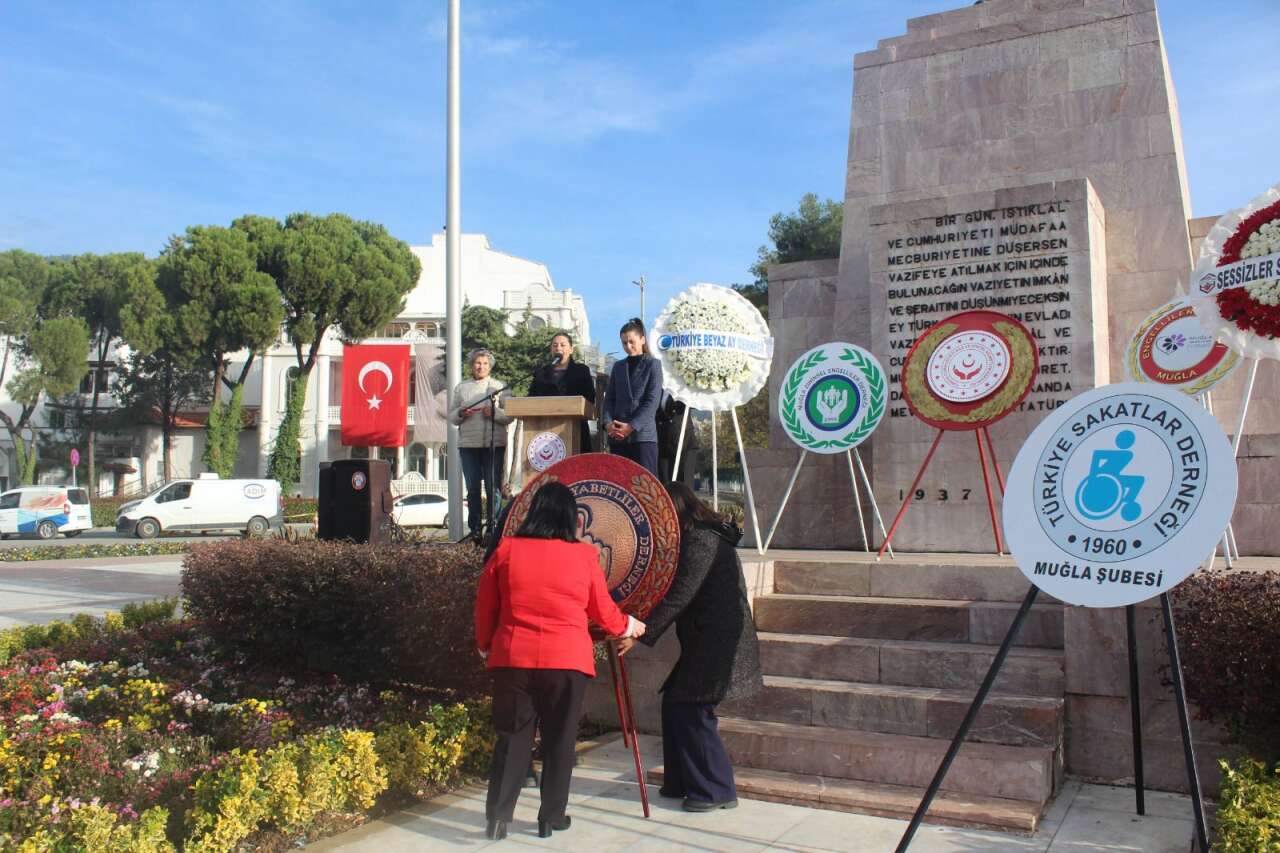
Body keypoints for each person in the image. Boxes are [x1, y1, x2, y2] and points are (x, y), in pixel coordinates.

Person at [475, 482, 646, 839]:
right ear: (572, 518)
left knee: (512, 738)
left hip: (513, 656)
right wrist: (631, 625)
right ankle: (550, 817)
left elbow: (485, 605)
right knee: (560, 739)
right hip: (567, 660)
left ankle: (498, 818)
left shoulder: (506, 549)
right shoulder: (583, 556)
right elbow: (603, 611)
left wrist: (485, 645)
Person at [617, 481, 763, 813]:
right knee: (676, 704)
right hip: (706, 638)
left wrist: (638, 632)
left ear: (675, 511)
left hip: (719, 642)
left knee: (692, 708)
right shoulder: (698, 536)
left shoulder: (701, 540)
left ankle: (716, 789)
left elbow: (679, 595)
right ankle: (682, 780)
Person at [449, 349, 511, 539]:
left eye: (485, 363)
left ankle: (494, 529)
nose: (481, 366)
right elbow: (452, 416)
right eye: (477, 363)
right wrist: (461, 412)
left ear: (490, 366)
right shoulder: (461, 388)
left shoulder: (500, 386)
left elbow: (510, 415)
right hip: (468, 445)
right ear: (471, 365)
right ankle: (475, 530)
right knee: (473, 489)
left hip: (494, 444)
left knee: (494, 489)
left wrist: (493, 413)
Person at [601, 318, 662, 475]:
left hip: (643, 437)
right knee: (619, 486)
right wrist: (607, 423)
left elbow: (652, 402)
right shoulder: (618, 366)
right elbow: (609, 399)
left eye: (631, 341)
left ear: (642, 339)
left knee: (645, 487)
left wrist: (632, 426)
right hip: (618, 437)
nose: (628, 346)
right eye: (624, 343)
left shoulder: (653, 365)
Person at [529, 331, 597, 452]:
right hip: (544, 432)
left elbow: (590, 398)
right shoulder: (541, 372)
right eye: (554, 345)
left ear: (571, 349)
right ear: (551, 349)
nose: (558, 348)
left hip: (576, 429)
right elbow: (531, 398)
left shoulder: (581, 371)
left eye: (562, 345)